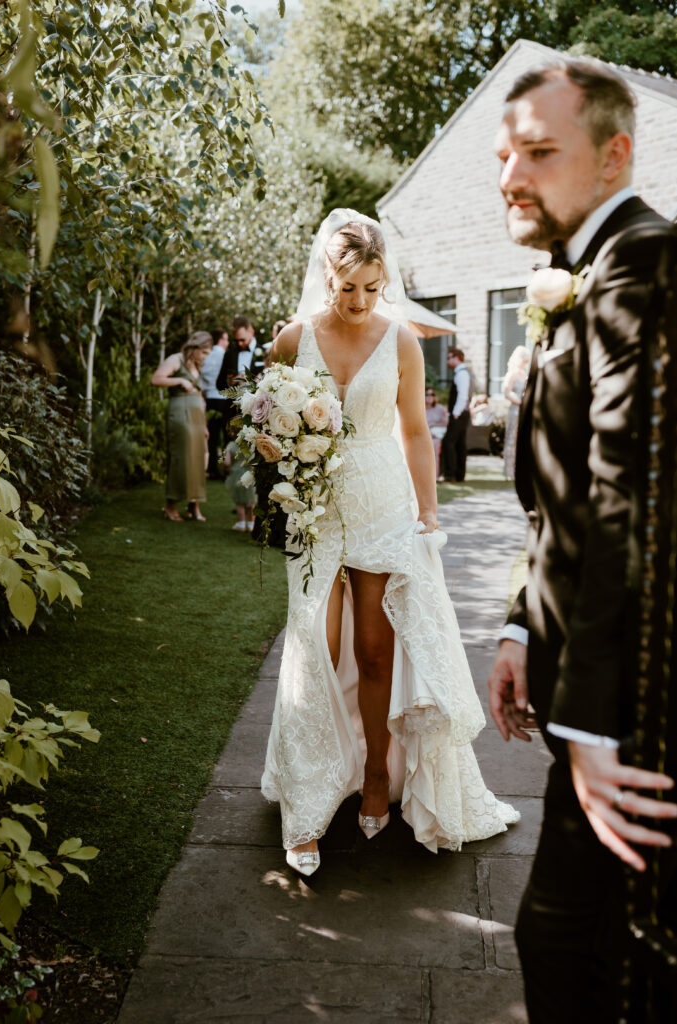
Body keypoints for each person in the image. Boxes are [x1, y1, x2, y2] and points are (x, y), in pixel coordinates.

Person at [487, 58, 677, 1023]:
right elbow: (558, 500)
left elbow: (625, 504)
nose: (511, 174)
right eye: (504, 154)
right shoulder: (585, 272)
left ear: (614, 156)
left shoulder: (645, 262)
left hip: (637, 712)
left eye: (538, 152)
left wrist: (595, 723)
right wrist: (523, 625)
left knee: (586, 957)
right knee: (575, 954)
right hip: (586, 699)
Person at [262, 209, 518, 877]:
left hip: (381, 504)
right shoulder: (292, 339)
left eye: (371, 288)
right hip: (316, 512)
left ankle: (377, 774)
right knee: (312, 652)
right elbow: (263, 418)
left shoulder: (399, 338)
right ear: (327, 275)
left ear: (384, 281)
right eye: (348, 288)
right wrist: (277, 454)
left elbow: (412, 431)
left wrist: (428, 509)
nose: (359, 302)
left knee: (376, 654)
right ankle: (307, 804)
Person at [151, 331, 212, 521]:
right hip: (179, 412)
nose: (205, 357)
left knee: (199, 457)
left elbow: (200, 396)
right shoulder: (175, 359)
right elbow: (156, 379)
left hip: (196, 415)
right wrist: (180, 380)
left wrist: (204, 425)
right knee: (181, 457)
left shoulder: (196, 365)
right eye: (204, 352)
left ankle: (194, 505)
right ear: (194, 348)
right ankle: (170, 505)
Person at [200, 327, 230, 479]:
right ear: (221, 339)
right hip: (222, 398)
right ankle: (226, 467)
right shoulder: (224, 355)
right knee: (225, 435)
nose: (228, 342)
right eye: (226, 339)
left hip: (208, 398)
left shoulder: (205, 355)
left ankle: (211, 469)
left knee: (211, 436)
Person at [440, 348, 471, 483]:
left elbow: (463, 395)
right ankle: (459, 475)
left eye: (449, 357)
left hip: (459, 414)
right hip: (462, 414)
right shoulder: (461, 373)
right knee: (459, 444)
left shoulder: (461, 374)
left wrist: (455, 413)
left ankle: (451, 474)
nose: (447, 361)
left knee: (449, 442)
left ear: (457, 358)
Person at [501, 345, 530, 480]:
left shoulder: (525, 374)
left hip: (525, 410)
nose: (525, 364)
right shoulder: (512, 374)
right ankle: (509, 471)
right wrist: (520, 401)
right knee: (512, 439)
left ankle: (521, 469)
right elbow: (507, 392)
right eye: (524, 361)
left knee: (522, 440)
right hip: (515, 409)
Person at [224, 428, 256, 532]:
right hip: (249, 474)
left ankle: (241, 523)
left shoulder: (231, 445)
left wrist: (229, 468)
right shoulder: (251, 445)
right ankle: (251, 524)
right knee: (251, 501)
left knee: (240, 502)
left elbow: (227, 462)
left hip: (237, 474)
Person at [424, 387, 448, 479]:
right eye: (427, 394)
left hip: (435, 436)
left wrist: (433, 425)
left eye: (432, 394)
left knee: (434, 449)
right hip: (423, 436)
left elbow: (445, 423)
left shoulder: (440, 408)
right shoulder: (420, 408)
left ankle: (435, 476)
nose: (430, 396)